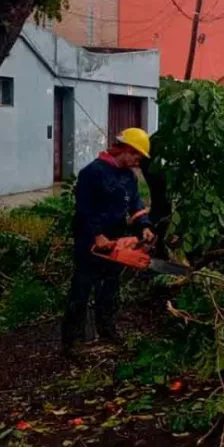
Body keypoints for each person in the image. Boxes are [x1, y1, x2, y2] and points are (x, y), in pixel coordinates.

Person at [62, 128, 154, 356]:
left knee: (110, 287)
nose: (138, 162)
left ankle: (107, 330)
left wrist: (144, 226)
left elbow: (135, 204)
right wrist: (97, 234)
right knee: (83, 286)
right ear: (126, 149)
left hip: (116, 237)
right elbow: (84, 209)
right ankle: (72, 339)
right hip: (89, 238)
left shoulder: (129, 177)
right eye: (137, 156)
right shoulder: (92, 173)